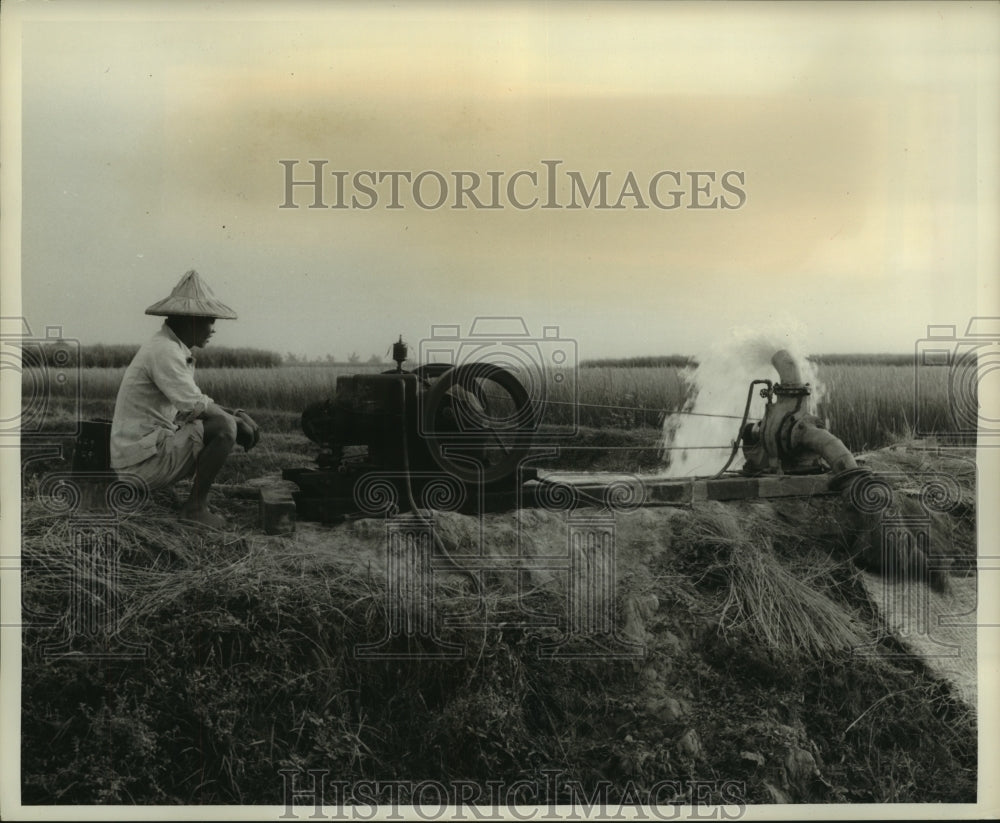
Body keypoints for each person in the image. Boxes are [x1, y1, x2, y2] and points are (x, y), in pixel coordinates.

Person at [110, 270, 260, 527]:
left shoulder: (170, 348)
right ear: (190, 319)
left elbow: (194, 401)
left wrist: (236, 412)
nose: (213, 329)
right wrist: (234, 421)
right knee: (224, 429)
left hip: (141, 453)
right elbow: (194, 405)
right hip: (140, 465)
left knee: (226, 421)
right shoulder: (165, 351)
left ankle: (197, 504)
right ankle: (195, 508)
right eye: (209, 320)